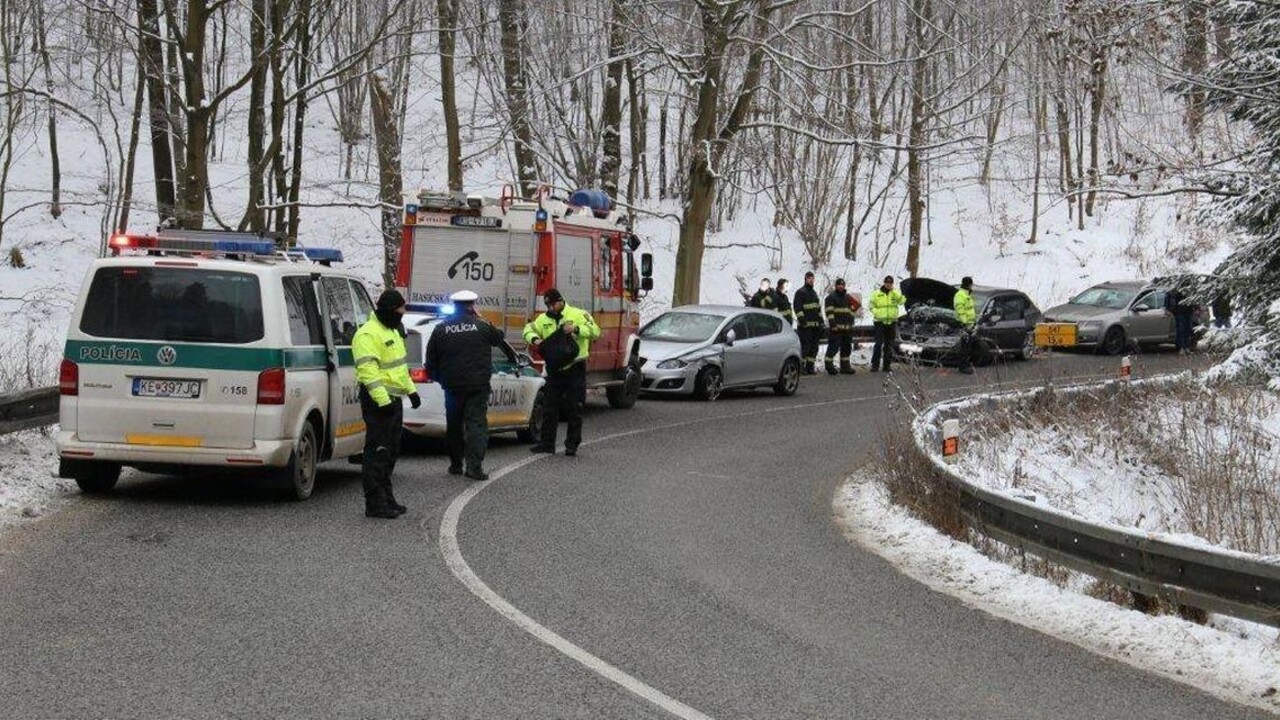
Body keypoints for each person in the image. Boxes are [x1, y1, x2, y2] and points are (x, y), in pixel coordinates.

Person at [426, 290, 520, 481]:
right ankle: (474, 468)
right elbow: (498, 338)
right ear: (472, 306)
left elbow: (431, 360)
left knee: (454, 425)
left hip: (452, 386)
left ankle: (455, 464)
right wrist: (483, 319)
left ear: (454, 305)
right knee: (476, 424)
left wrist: (440, 379)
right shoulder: (482, 326)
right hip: (477, 386)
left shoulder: (441, 329)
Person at [352, 289, 420, 519]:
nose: (402, 313)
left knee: (391, 452)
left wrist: (411, 391)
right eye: (400, 309)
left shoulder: (392, 330)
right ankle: (374, 503)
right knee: (377, 452)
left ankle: (387, 497)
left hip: (393, 400)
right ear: (390, 310)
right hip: (377, 402)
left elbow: (399, 369)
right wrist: (383, 401)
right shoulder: (368, 335)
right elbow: (368, 373)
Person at [523, 288, 601, 456]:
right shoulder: (542, 319)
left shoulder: (578, 314)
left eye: (553, 304)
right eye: (547, 305)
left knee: (574, 408)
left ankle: (572, 444)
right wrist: (535, 339)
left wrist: (576, 329)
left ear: (560, 301)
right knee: (549, 408)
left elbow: (595, 331)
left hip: (575, 368)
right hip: (554, 370)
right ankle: (547, 444)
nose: (550, 308)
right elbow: (527, 330)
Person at [869, 276, 906, 373]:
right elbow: (871, 306)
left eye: (890, 283)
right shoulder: (876, 294)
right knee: (878, 344)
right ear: (884, 283)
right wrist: (877, 313)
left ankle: (886, 366)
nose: (888, 284)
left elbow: (902, 301)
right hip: (880, 322)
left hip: (892, 322)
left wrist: (895, 293)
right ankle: (875, 365)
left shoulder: (894, 293)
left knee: (889, 345)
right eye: (887, 283)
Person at [823, 278, 858, 375]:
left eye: (842, 285)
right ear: (836, 286)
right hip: (836, 329)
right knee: (833, 348)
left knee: (846, 348)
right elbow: (829, 313)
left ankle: (845, 367)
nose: (841, 286)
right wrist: (833, 325)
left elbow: (853, 309)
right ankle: (829, 366)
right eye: (839, 285)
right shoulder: (831, 297)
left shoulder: (847, 297)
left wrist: (851, 322)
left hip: (847, 329)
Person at [793, 271, 823, 375]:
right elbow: (798, 307)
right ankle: (801, 368)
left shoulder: (814, 293)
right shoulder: (801, 292)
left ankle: (810, 367)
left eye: (812, 278)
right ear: (805, 279)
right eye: (809, 278)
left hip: (815, 327)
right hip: (805, 327)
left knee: (814, 348)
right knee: (805, 348)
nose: (811, 280)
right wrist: (802, 320)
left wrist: (821, 321)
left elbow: (818, 309)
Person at [953, 276, 977, 375]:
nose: (972, 286)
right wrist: (965, 322)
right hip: (965, 325)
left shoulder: (966, 294)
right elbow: (960, 309)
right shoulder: (960, 295)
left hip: (970, 324)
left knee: (967, 346)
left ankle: (965, 364)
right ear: (968, 285)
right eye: (971, 284)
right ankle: (963, 366)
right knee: (964, 346)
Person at [1164, 286, 1196, 354]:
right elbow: (1168, 299)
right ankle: (1181, 347)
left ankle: (1186, 347)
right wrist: (1169, 309)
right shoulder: (1174, 290)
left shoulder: (1187, 288)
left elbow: (1193, 299)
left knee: (1188, 330)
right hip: (1179, 312)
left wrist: (1194, 309)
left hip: (1188, 312)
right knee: (1181, 330)